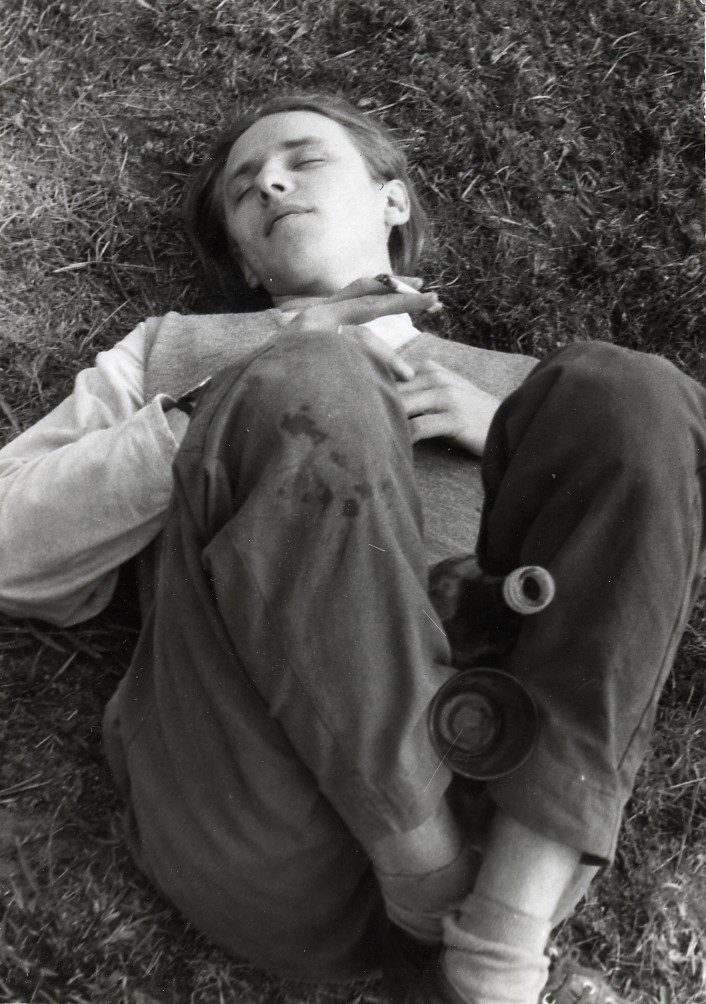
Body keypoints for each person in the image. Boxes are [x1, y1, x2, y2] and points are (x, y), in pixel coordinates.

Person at [1, 92, 704, 1004]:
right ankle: (440, 890)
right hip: (266, 812)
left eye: (304, 159)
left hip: (502, 800)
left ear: (393, 200)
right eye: (244, 189)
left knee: (636, 392)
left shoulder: (535, 401)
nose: (271, 183)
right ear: (246, 263)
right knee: (313, 371)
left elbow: (648, 583)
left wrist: (510, 437)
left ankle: (499, 942)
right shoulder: (170, 354)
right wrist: (220, 400)